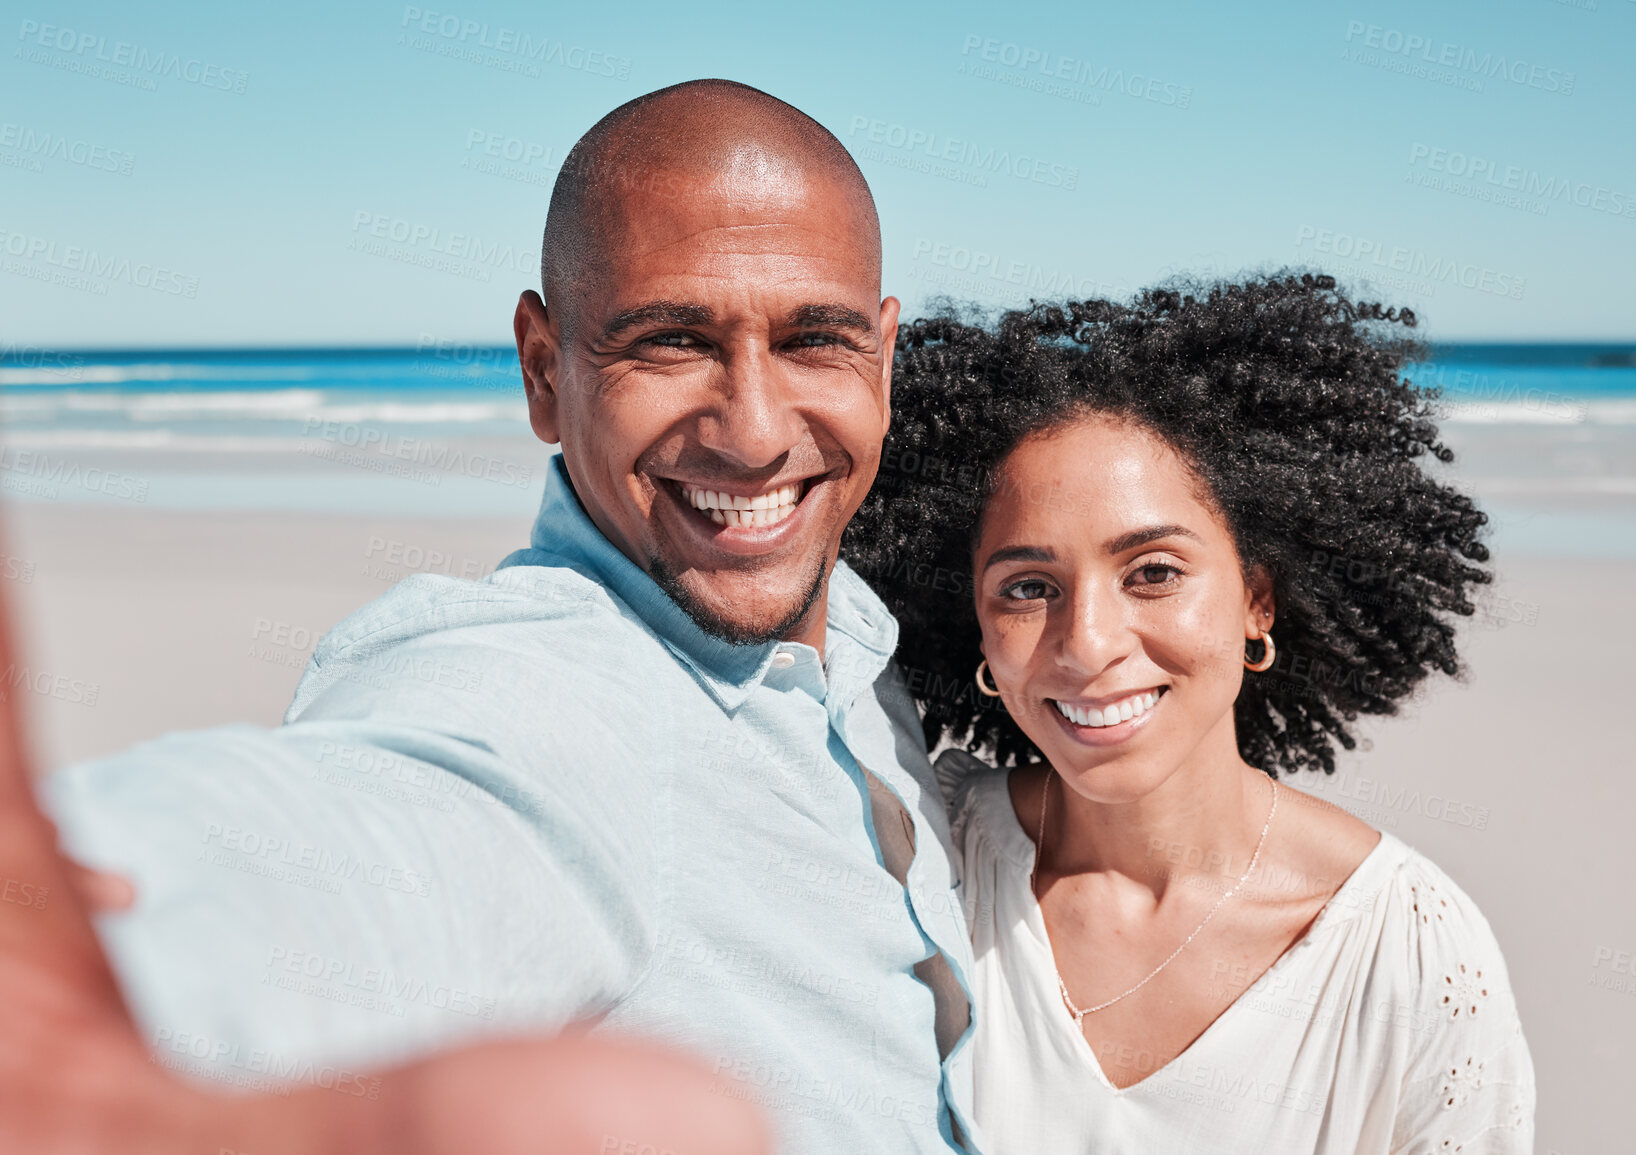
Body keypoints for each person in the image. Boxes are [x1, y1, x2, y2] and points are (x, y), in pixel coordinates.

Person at [20, 80, 977, 1153]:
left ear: (885, 363)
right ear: (542, 371)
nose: (753, 432)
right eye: (670, 341)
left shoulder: (857, 635)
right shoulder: (543, 697)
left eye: (814, 340)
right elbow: (389, 835)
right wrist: (115, 962)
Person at [844, 276, 1537, 1153]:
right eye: (1028, 587)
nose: (1087, 644)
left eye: (1153, 572)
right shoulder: (923, 863)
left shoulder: (1410, 952)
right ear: (973, 622)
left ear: (1256, 599)